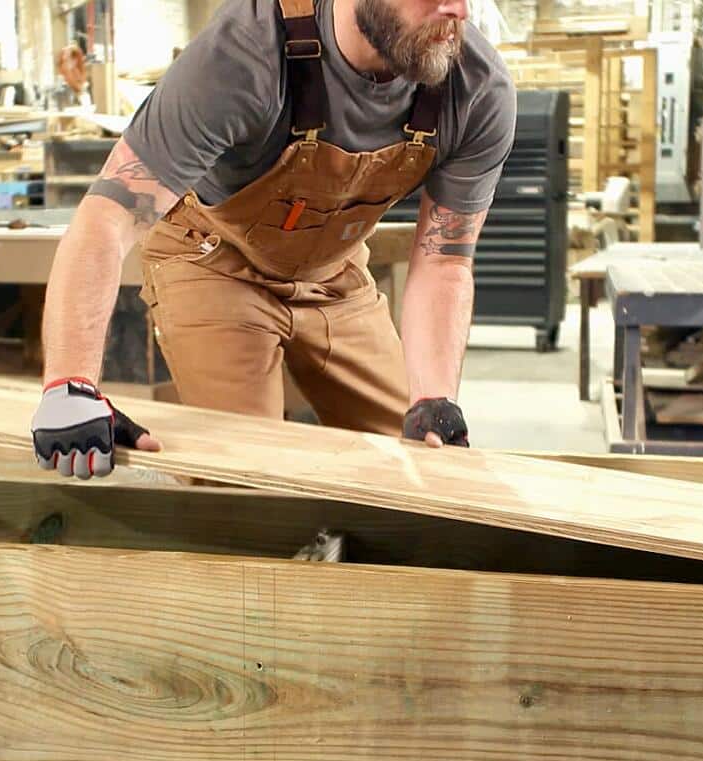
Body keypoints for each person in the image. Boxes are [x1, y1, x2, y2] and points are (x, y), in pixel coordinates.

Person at [31, 0, 516, 478]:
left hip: (333, 273)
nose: (459, 9)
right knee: (248, 479)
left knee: (425, 467)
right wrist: (71, 385)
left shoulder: (474, 86)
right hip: (212, 259)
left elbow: (445, 260)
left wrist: (434, 395)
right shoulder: (243, 56)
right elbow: (108, 217)